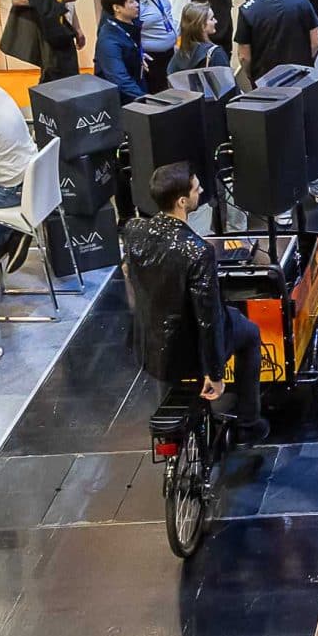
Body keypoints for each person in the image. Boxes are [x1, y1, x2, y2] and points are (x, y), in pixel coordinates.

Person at [120, 164, 267, 448]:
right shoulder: (198, 252)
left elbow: (129, 270)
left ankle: (172, 417)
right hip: (190, 347)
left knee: (170, 359)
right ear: (182, 201)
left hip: (152, 345)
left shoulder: (134, 231)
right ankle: (249, 423)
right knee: (249, 334)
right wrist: (216, 374)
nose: (201, 191)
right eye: (197, 188)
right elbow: (208, 318)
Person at [230, 0, 318, 86]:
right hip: (301, 79)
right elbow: (316, 41)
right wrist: (304, 64)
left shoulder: (247, 10)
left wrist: (252, 76)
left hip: (266, 84)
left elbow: (244, 56)